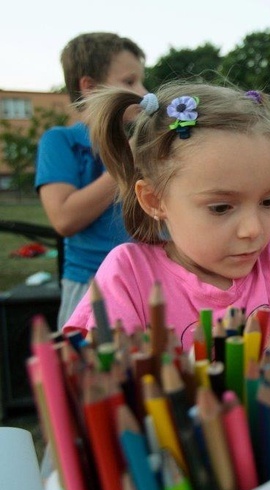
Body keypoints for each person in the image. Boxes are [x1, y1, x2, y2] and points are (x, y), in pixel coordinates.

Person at [64, 82, 270, 490]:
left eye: (269, 201)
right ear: (155, 200)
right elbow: (114, 405)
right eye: (221, 207)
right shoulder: (127, 274)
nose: (254, 229)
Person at [35, 32, 146, 328]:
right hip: (91, 286)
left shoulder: (142, 141)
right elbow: (64, 219)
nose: (143, 92)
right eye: (129, 82)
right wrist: (128, 158)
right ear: (90, 87)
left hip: (149, 281)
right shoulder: (60, 141)